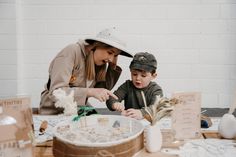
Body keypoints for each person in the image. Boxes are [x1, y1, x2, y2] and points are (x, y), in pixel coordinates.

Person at [39, 28, 133, 115]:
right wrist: (90, 91)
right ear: (97, 45)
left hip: (77, 108)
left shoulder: (98, 63)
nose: (111, 59)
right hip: (55, 110)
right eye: (110, 52)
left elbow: (102, 89)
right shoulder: (72, 51)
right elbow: (57, 92)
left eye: (116, 55)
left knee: (100, 124)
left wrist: (112, 67)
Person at [106, 52, 163, 120]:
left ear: (153, 76)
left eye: (143, 76)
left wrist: (142, 113)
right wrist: (114, 104)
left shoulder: (156, 90)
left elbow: (157, 107)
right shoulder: (127, 86)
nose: (138, 78)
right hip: (130, 123)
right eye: (134, 74)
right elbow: (111, 98)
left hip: (149, 123)